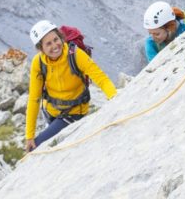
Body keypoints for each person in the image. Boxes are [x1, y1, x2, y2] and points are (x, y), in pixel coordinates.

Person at [24, 20, 117, 152]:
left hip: (73, 112)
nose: (55, 45)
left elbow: (101, 78)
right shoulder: (38, 63)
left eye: (56, 39)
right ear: (41, 49)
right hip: (51, 113)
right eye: (48, 43)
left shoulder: (75, 55)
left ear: (61, 37)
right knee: (38, 145)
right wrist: (29, 136)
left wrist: (114, 97)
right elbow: (34, 99)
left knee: (36, 148)